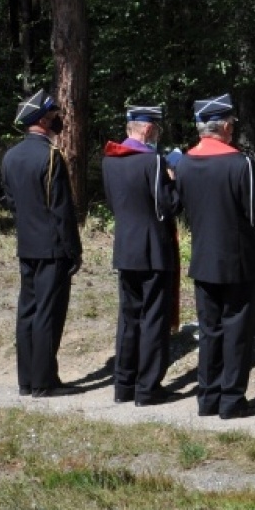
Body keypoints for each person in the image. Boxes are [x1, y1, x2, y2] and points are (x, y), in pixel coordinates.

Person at [175, 94, 255, 419]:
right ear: (226, 126)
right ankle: (231, 400)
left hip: (203, 258)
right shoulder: (239, 163)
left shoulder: (184, 162)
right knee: (236, 331)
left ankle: (207, 398)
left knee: (210, 330)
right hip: (238, 260)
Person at [1, 88, 83, 396]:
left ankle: (27, 381)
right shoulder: (50, 156)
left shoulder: (10, 156)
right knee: (48, 314)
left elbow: (12, 201)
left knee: (28, 312)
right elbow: (61, 210)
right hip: (52, 248)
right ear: (43, 119)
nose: (57, 119)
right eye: (53, 115)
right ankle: (44, 382)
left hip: (26, 245)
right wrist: (73, 250)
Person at [101, 103, 181, 406]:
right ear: (148, 129)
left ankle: (123, 384)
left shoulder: (109, 160)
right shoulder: (154, 162)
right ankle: (148, 387)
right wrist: (174, 179)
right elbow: (167, 207)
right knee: (153, 320)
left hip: (125, 246)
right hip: (154, 249)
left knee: (128, 318)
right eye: (156, 130)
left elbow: (114, 203)